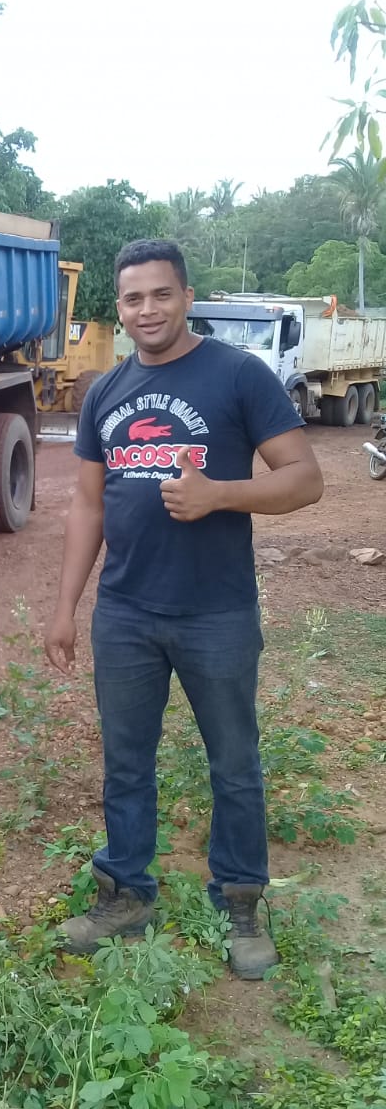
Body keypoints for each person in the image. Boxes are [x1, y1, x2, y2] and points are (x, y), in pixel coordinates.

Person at [45, 239, 324, 980]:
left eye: (160, 295)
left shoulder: (238, 374)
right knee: (125, 764)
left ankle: (239, 899)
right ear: (120, 307)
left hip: (216, 613)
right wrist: (66, 606)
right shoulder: (104, 391)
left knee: (234, 763)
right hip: (126, 613)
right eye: (133, 299)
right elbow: (85, 503)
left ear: (186, 295)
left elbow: (305, 478)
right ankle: (125, 896)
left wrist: (222, 494)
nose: (147, 310)